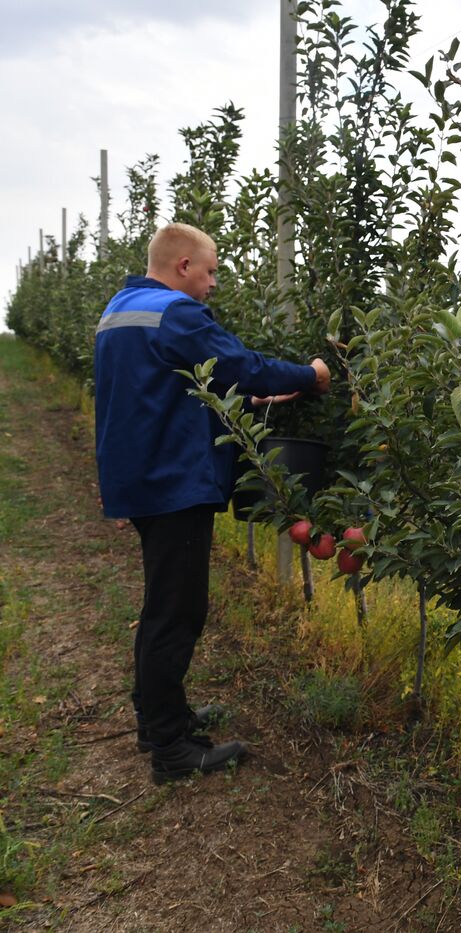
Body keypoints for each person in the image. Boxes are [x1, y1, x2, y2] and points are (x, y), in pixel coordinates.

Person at [93, 222, 331, 784]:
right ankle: (171, 749)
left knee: (162, 605)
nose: (213, 282)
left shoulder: (121, 310)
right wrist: (311, 375)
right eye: (210, 270)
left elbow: (162, 388)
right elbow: (241, 364)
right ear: (183, 267)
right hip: (172, 482)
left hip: (142, 477)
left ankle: (158, 719)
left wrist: (249, 398)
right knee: (177, 612)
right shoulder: (176, 313)